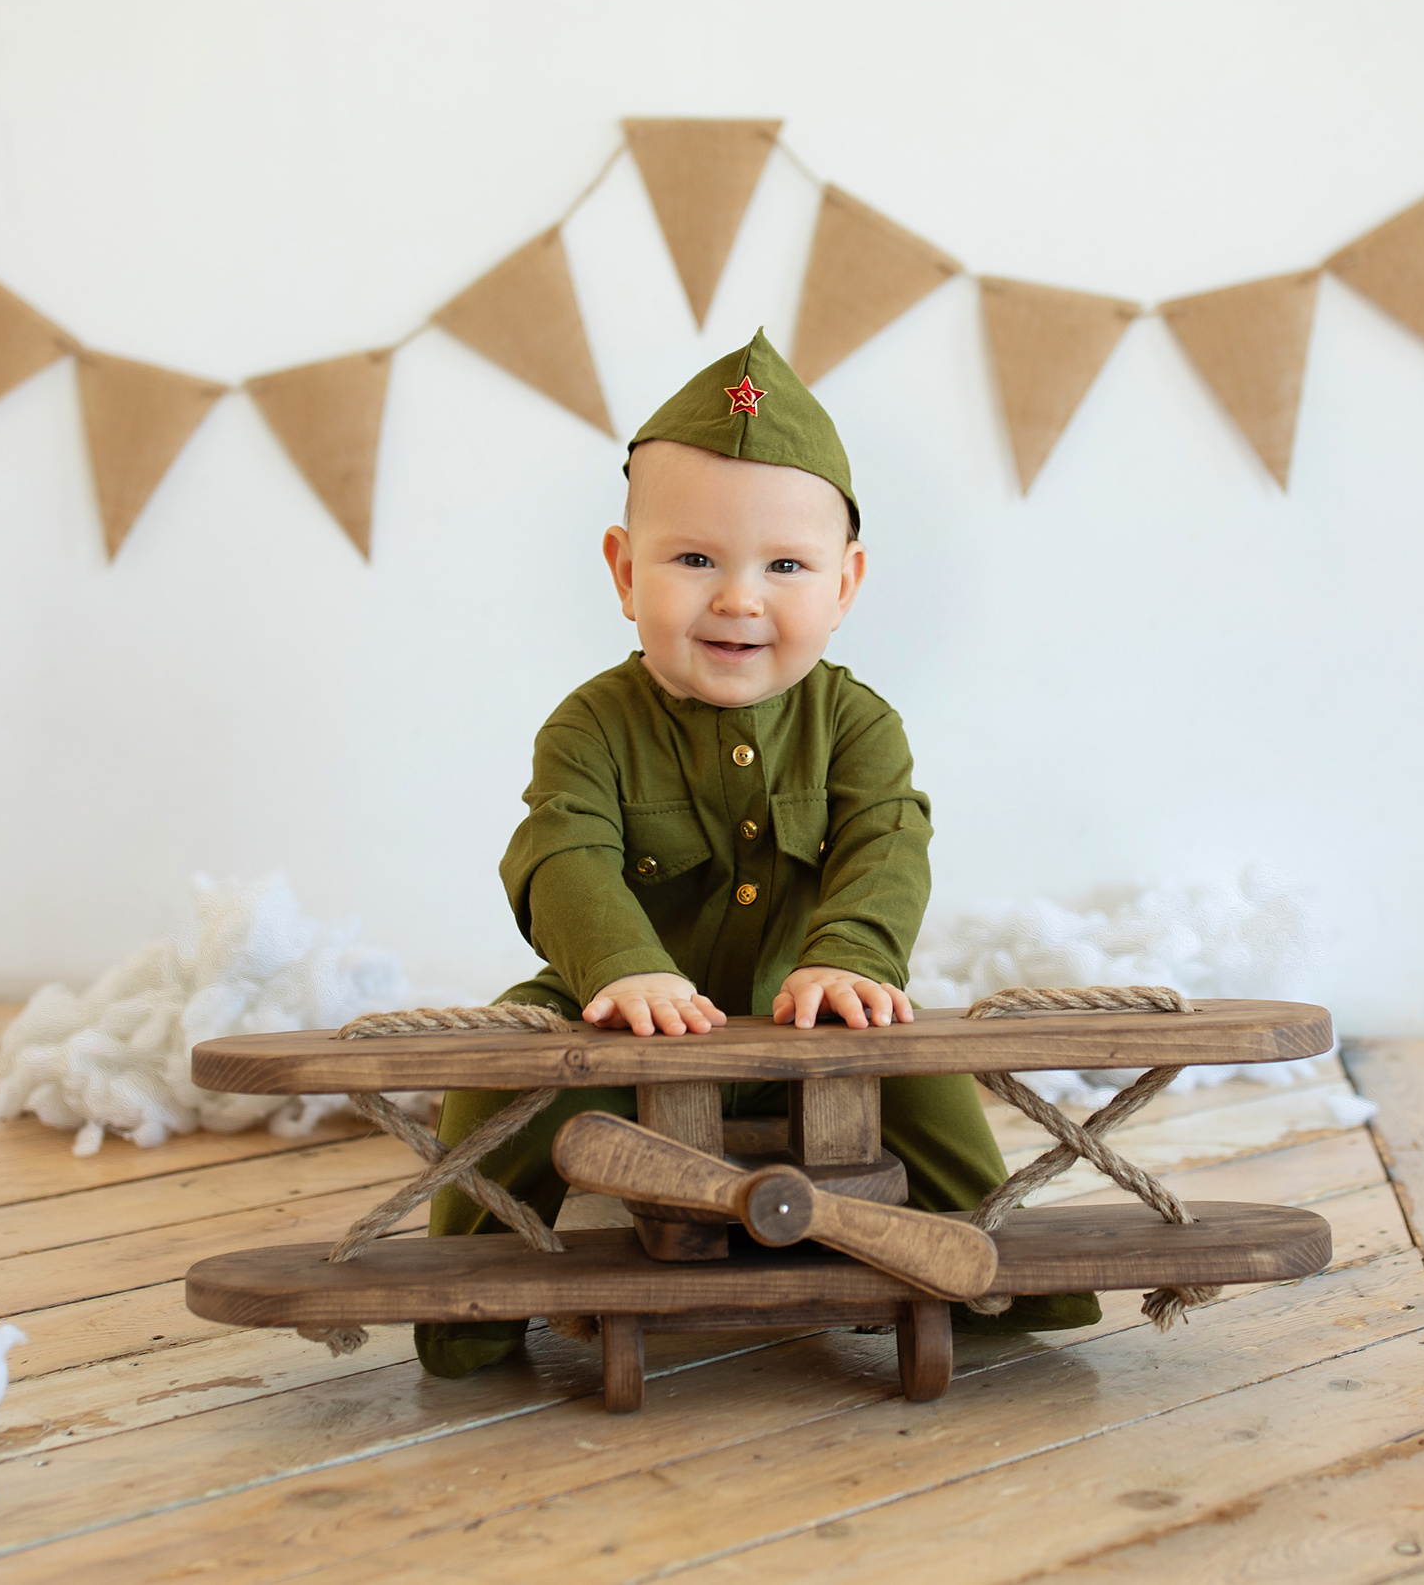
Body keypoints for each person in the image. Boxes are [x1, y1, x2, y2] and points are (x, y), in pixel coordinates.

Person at [415, 330, 1095, 1378]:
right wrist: (621, 969)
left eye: (785, 566)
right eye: (694, 560)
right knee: (497, 1079)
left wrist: (855, 958)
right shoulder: (588, 727)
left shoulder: (857, 726)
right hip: (626, 1020)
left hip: (805, 1010)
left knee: (927, 1078)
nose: (738, 598)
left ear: (846, 583)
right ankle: (469, 1302)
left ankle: (993, 1278)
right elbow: (564, 854)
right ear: (621, 568)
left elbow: (887, 843)